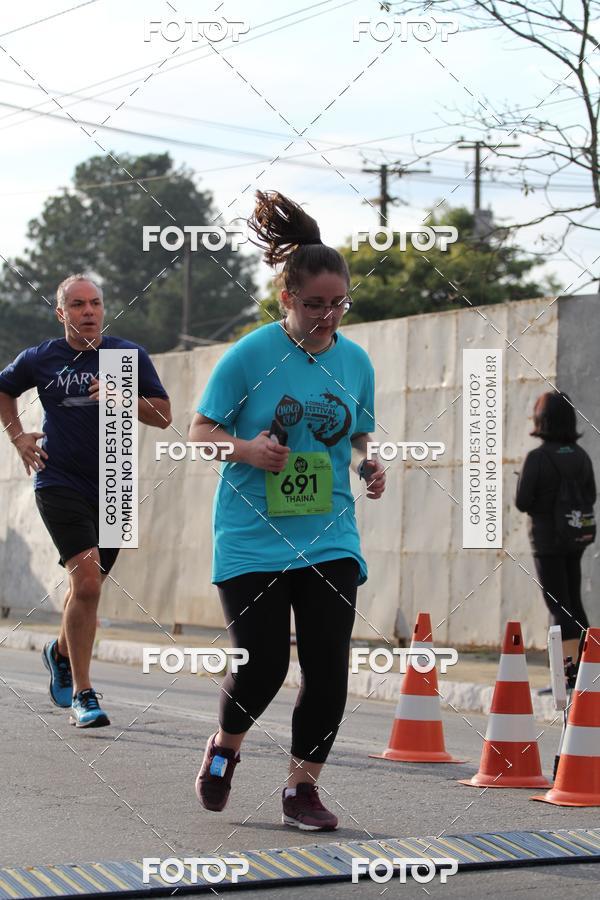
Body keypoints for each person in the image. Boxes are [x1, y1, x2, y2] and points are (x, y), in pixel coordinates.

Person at [189, 191, 386, 831]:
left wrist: (369, 463)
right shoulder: (249, 355)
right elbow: (200, 432)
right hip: (252, 537)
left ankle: (303, 788)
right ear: (287, 298)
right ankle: (225, 748)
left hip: (330, 534)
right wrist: (247, 449)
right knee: (265, 665)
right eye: (314, 304)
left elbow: (359, 434)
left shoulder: (355, 361)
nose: (327, 316)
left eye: (339, 303)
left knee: (328, 669)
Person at [0, 275, 171, 727]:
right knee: (89, 583)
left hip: (115, 482)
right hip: (58, 480)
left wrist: (123, 397)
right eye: (77, 305)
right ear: (61, 313)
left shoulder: (125, 356)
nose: (89, 311)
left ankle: (59, 653)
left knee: (87, 588)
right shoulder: (41, 358)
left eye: (95, 303)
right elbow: (4, 388)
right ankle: (83, 694)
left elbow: (163, 416)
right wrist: (18, 437)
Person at [516, 390, 596, 666]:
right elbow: (591, 496)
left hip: (547, 541)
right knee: (574, 602)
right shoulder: (581, 456)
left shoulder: (537, 458)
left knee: (558, 607)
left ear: (542, 420)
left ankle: (567, 673)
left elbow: (522, 502)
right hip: (575, 537)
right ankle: (588, 669)